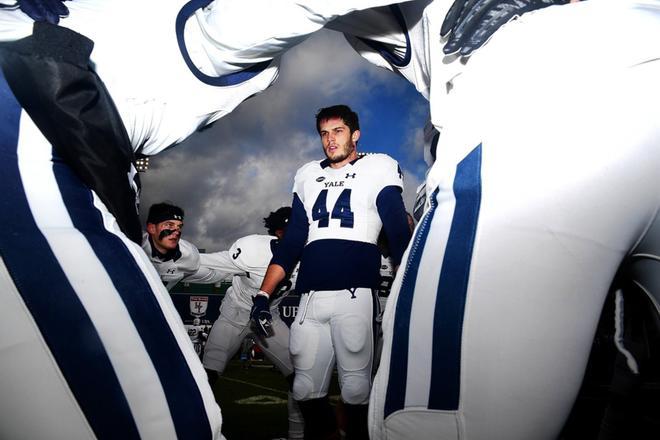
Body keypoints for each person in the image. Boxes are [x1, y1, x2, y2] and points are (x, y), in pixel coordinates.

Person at [253, 105, 412, 439]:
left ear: (355, 134)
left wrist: (408, 283)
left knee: (356, 391)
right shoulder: (307, 173)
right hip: (310, 296)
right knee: (305, 389)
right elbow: (293, 239)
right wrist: (263, 294)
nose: (330, 140)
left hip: (355, 294)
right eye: (324, 133)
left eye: (338, 131)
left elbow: (397, 230)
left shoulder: (379, 165)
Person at [144, 206, 305, 440]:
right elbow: (211, 266)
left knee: (300, 379)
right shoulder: (255, 251)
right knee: (208, 374)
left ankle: (297, 435)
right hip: (234, 316)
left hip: (269, 319)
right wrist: (171, 260)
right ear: (279, 233)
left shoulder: (310, 256)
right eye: (294, 230)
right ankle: (184, 431)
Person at [141, 202, 202, 290]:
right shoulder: (134, 246)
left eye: (179, 227)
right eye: (169, 225)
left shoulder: (189, 255)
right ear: (152, 228)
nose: (177, 232)